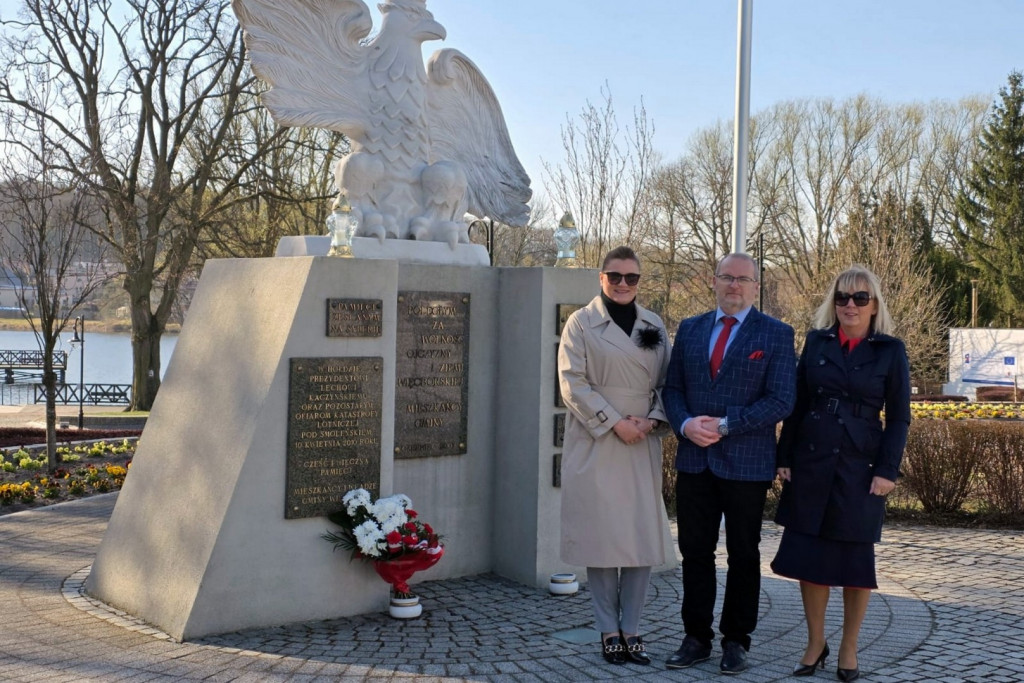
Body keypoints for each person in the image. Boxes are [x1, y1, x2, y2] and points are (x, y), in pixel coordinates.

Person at [771, 265, 910, 682]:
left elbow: (900, 418)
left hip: (861, 467)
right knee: (810, 562)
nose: (850, 305)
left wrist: (888, 470)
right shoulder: (815, 342)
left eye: (859, 298)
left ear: (874, 304)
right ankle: (815, 642)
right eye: (842, 297)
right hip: (812, 462)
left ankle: (848, 647)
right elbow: (796, 405)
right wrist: (785, 457)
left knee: (853, 564)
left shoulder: (890, 350)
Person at [662, 252, 797, 674]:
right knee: (695, 552)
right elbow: (672, 388)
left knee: (743, 553)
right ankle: (695, 637)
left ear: (756, 286)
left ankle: (736, 639)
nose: (734, 285)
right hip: (694, 460)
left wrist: (724, 425)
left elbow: (781, 400)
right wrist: (684, 424)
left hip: (746, 462)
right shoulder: (690, 329)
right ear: (714, 282)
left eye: (743, 279)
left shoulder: (776, 333)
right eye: (727, 277)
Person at [558, 246, 671, 667]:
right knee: (602, 540)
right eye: (614, 276)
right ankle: (609, 630)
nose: (623, 284)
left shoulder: (654, 324)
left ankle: (634, 629)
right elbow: (572, 383)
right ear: (600, 277)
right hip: (597, 438)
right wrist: (614, 421)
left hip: (641, 441)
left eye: (631, 277)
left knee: (640, 540)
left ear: (640, 281)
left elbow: (667, 383)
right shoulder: (581, 323)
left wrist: (652, 420)